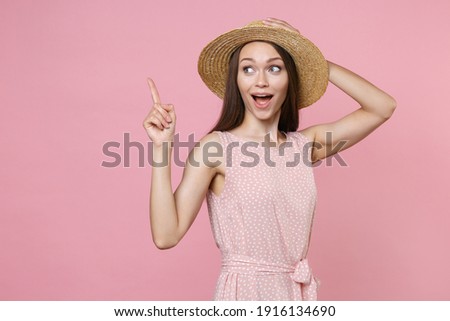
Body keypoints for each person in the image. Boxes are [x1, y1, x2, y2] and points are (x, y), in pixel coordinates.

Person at [142, 18, 396, 301]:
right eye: (247, 69)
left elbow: (382, 107)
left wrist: (314, 60)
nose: (260, 80)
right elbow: (166, 236)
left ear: (290, 79)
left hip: (293, 294)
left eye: (274, 68)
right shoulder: (216, 148)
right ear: (236, 81)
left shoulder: (303, 147)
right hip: (245, 294)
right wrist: (162, 148)